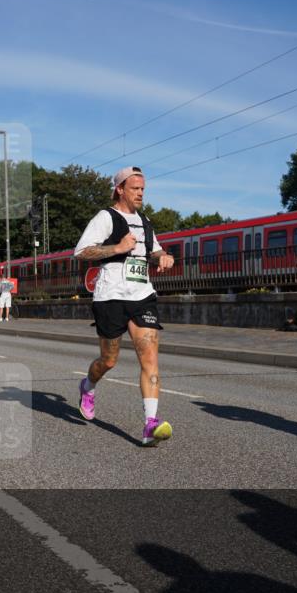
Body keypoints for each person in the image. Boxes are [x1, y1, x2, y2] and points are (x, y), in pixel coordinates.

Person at [74, 166, 175, 446]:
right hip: (111, 296)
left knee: (150, 359)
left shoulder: (145, 221)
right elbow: (82, 252)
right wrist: (117, 248)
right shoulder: (106, 217)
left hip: (142, 295)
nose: (141, 193)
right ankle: (88, 386)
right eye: (135, 188)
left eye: (143, 189)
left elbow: (152, 251)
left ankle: (150, 425)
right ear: (120, 189)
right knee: (109, 360)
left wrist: (163, 257)